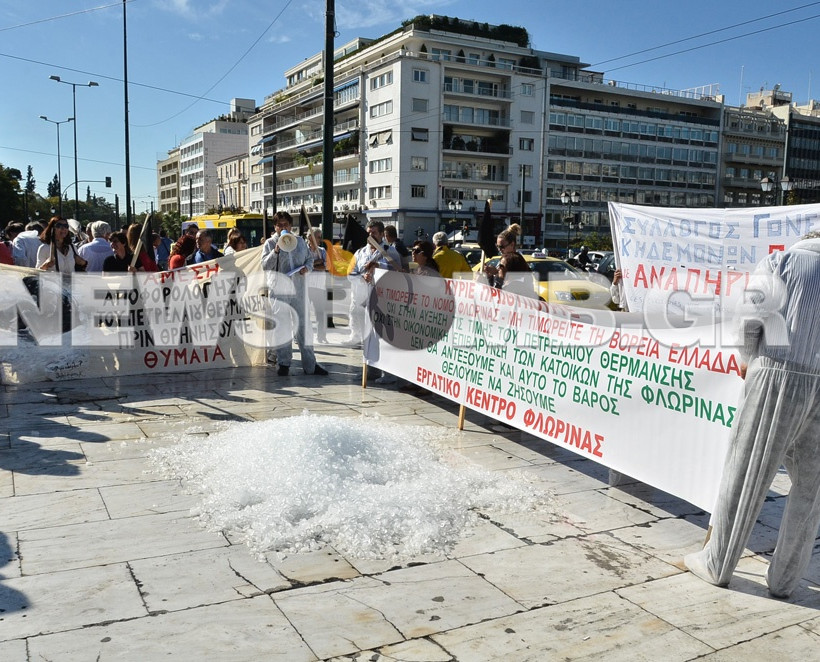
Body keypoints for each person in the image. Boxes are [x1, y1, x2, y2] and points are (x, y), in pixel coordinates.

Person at [684, 235, 820, 599]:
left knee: (746, 472)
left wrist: (748, 358)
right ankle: (785, 580)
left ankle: (719, 562)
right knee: (811, 489)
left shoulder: (781, 264)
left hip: (777, 372)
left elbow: (749, 318)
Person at [261, 211, 328, 377]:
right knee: (282, 327)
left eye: (286, 224)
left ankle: (310, 365)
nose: (283, 227)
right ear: (275, 227)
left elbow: (310, 260)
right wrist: (275, 251)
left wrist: (308, 268)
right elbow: (265, 266)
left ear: (291, 226)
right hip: (279, 291)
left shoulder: (299, 242)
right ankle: (284, 363)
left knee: (304, 327)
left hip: (298, 289)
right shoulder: (270, 243)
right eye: (279, 225)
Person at [347, 219, 402, 347]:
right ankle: (356, 338)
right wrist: (362, 278)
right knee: (356, 316)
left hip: (380, 296)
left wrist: (379, 266)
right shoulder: (360, 253)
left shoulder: (391, 252)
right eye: (369, 233)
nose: (371, 235)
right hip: (359, 295)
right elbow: (350, 273)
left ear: (382, 234)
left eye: (374, 233)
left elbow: (398, 272)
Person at [483, 223, 529, 289]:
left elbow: (508, 283)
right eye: (497, 246)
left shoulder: (516, 260)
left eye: (502, 247)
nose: (499, 249)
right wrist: (490, 276)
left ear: (512, 244)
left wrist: (495, 272)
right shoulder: (505, 258)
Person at [306, 227, 329, 343]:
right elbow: (302, 266)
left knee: (320, 312)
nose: (320, 239)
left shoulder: (322, 251)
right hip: (306, 286)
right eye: (318, 237)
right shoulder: (304, 250)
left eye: (320, 237)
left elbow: (326, 266)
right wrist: (316, 263)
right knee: (304, 312)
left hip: (319, 286)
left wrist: (311, 266)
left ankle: (321, 336)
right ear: (310, 237)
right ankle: (304, 335)